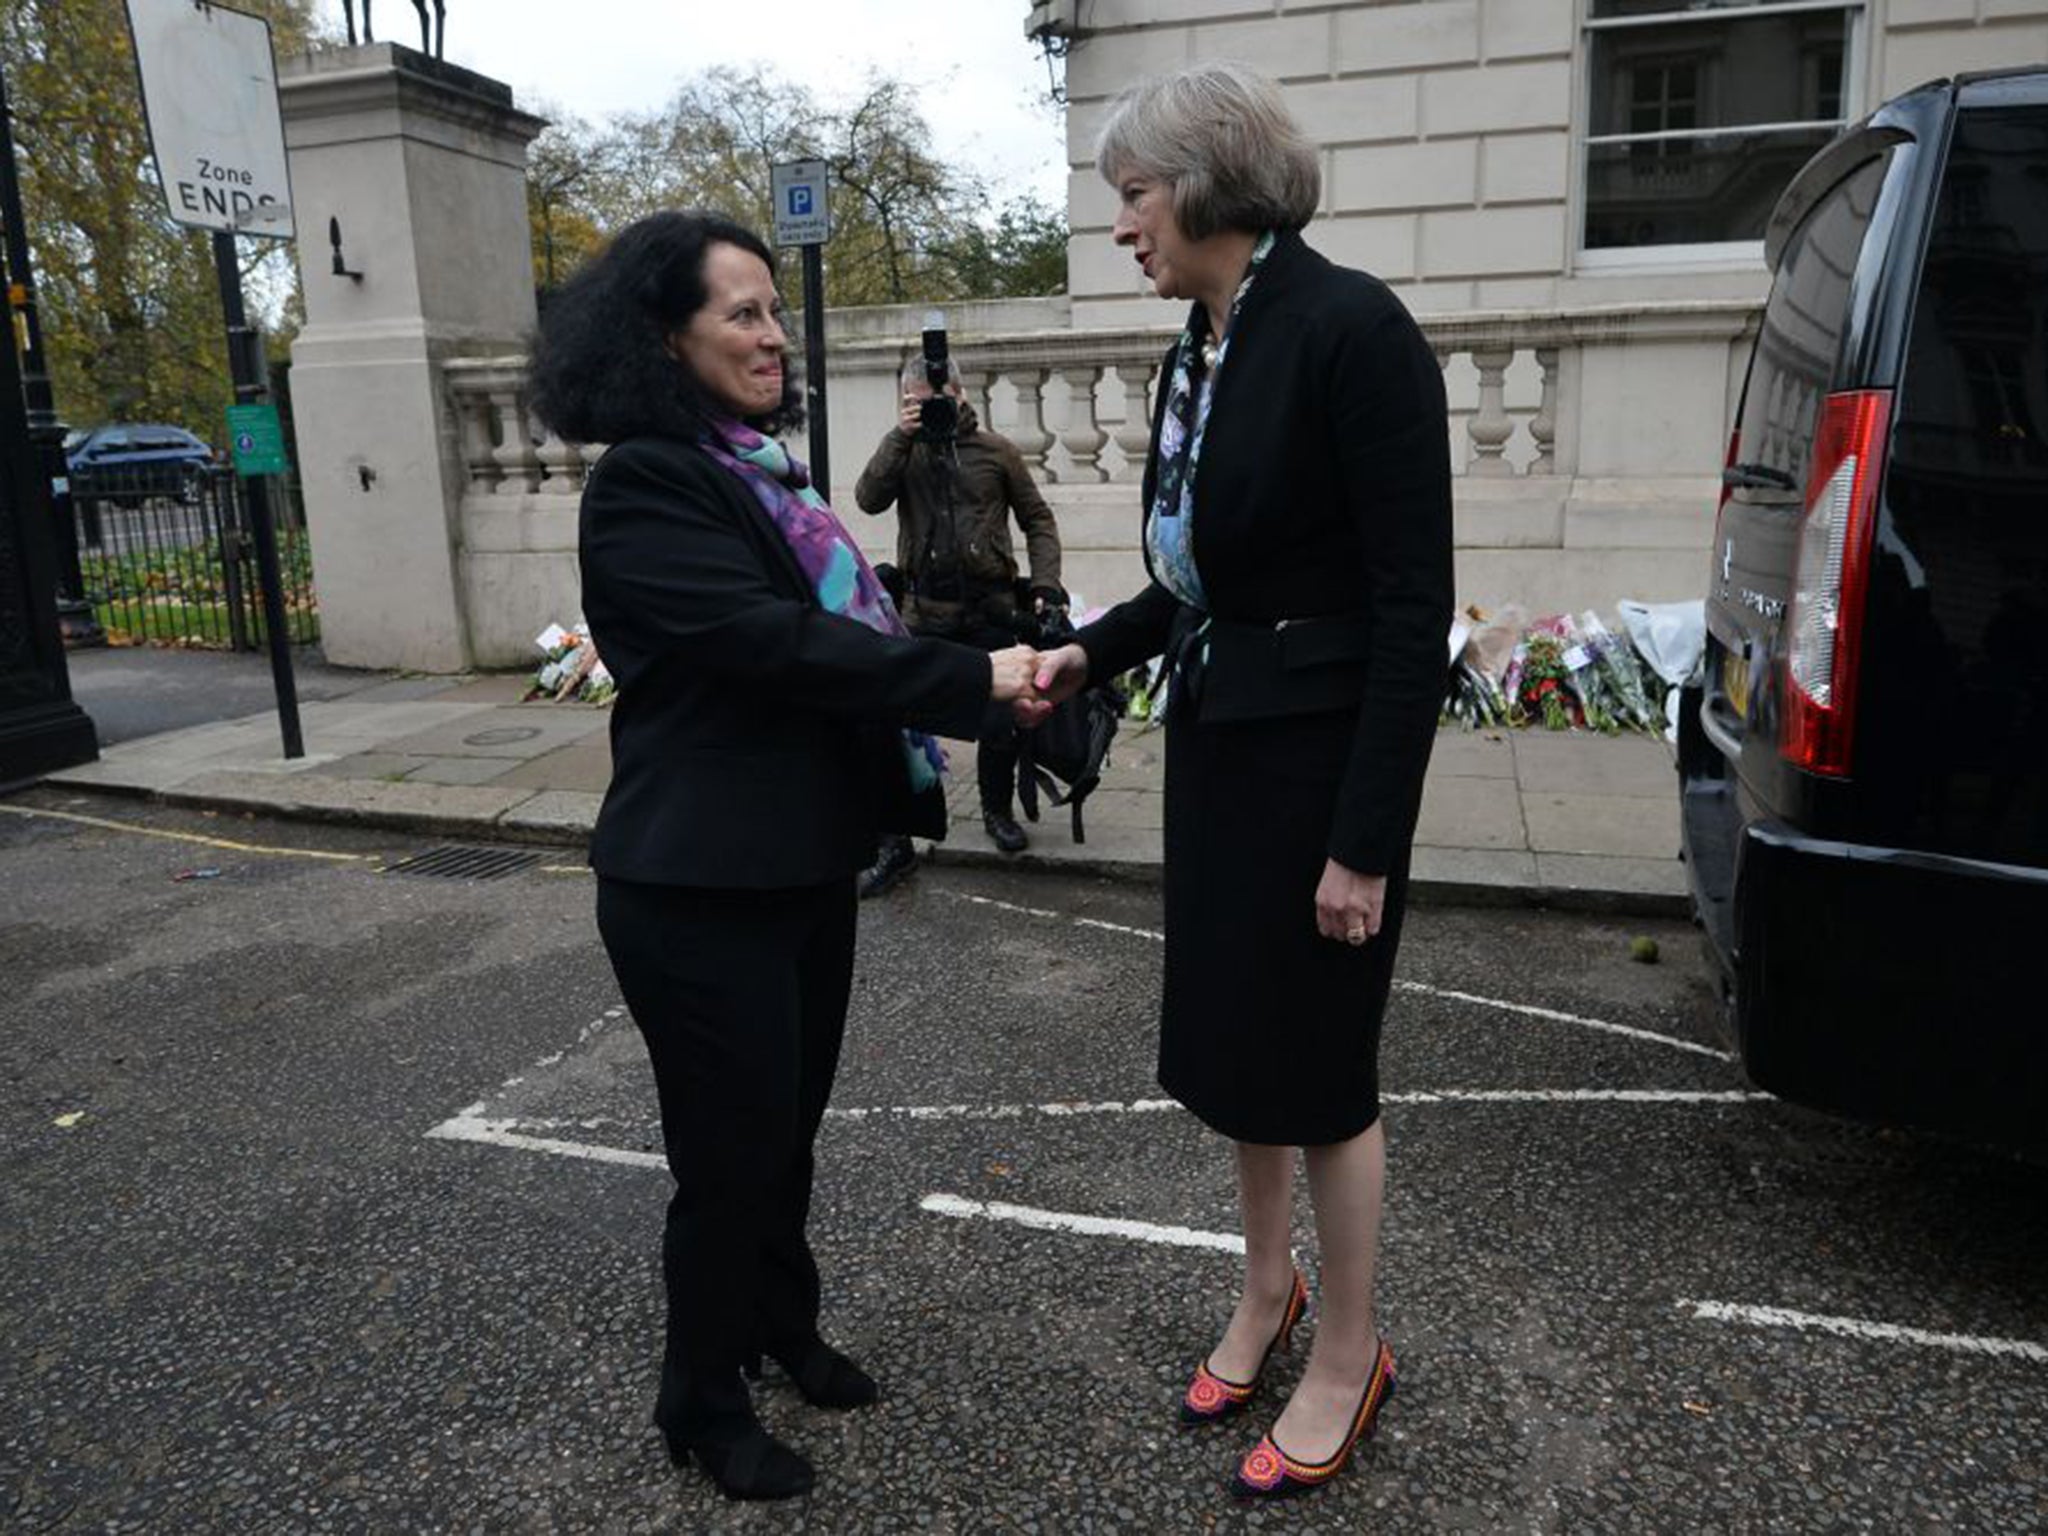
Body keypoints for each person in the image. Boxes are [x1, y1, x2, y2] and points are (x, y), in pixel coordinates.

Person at [531, 210, 1045, 1502]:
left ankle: (780, 1328)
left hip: (799, 864)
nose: (771, 336)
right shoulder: (649, 480)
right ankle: (698, 1402)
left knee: (788, 1129)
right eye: (741, 314)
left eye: (773, 311)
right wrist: (967, 681)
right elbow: (780, 649)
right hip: (694, 886)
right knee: (729, 1158)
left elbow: (829, 626)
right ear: (666, 338)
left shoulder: (759, 466)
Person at [1032, 64, 1454, 1501]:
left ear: (1206, 183)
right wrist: (1085, 659)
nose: (1124, 229)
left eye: (1133, 198)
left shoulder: (1353, 330)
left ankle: (1347, 1352)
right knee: (1236, 1053)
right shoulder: (1201, 345)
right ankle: (1263, 1292)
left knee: (1321, 1072)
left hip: (1323, 766)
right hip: (1223, 747)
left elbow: (1414, 613)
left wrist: (1365, 844)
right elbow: (1195, 583)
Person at [852, 356, 1064, 889]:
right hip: (924, 611)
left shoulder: (996, 452)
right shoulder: (904, 451)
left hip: (989, 608)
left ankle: (996, 812)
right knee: (893, 722)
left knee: (1001, 722)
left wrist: (1045, 587)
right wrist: (902, 437)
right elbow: (868, 498)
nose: (937, 409)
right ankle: (896, 839)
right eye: (923, 401)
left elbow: (1037, 518)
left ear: (963, 393)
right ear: (908, 401)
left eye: (942, 398)